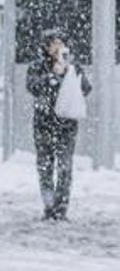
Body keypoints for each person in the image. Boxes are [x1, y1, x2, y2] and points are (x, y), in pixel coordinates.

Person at [26, 29, 92, 221]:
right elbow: (32, 86)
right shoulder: (37, 66)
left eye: (61, 42)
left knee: (65, 167)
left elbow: (86, 88)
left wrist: (68, 76)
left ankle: (61, 208)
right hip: (43, 123)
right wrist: (51, 78)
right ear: (46, 47)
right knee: (45, 166)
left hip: (66, 125)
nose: (57, 47)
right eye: (53, 43)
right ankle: (48, 205)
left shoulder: (73, 67)